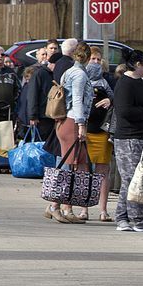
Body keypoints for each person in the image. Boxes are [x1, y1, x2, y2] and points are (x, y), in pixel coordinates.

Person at [47, 42, 94, 224]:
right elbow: (77, 100)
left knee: (70, 164)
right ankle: (58, 206)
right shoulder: (80, 75)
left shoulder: (69, 72)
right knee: (69, 166)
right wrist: (82, 124)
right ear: (88, 58)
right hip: (73, 121)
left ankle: (62, 206)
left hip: (64, 120)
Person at [111, 48, 143, 232]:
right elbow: (124, 112)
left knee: (134, 178)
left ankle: (123, 216)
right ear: (138, 65)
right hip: (127, 138)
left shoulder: (141, 82)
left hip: (141, 136)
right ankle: (136, 217)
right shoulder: (125, 84)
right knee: (132, 179)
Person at [77, 60, 114, 221]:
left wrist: (110, 100)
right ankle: (83, 209)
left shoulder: (107, 84)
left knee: (102, 173)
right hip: (84, 131)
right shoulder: (81, 83)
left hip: (102, 132)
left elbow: (116, 99)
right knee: (84, 172)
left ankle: (103, 210)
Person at [27, 40, 60, 143]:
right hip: (42, 116)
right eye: (51, 48)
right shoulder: (39, 73)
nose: (53, 51)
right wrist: (33, 116)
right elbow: (32, 94)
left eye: (55, 48)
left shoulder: (60, 72)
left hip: (56, 116)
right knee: (41, 144)